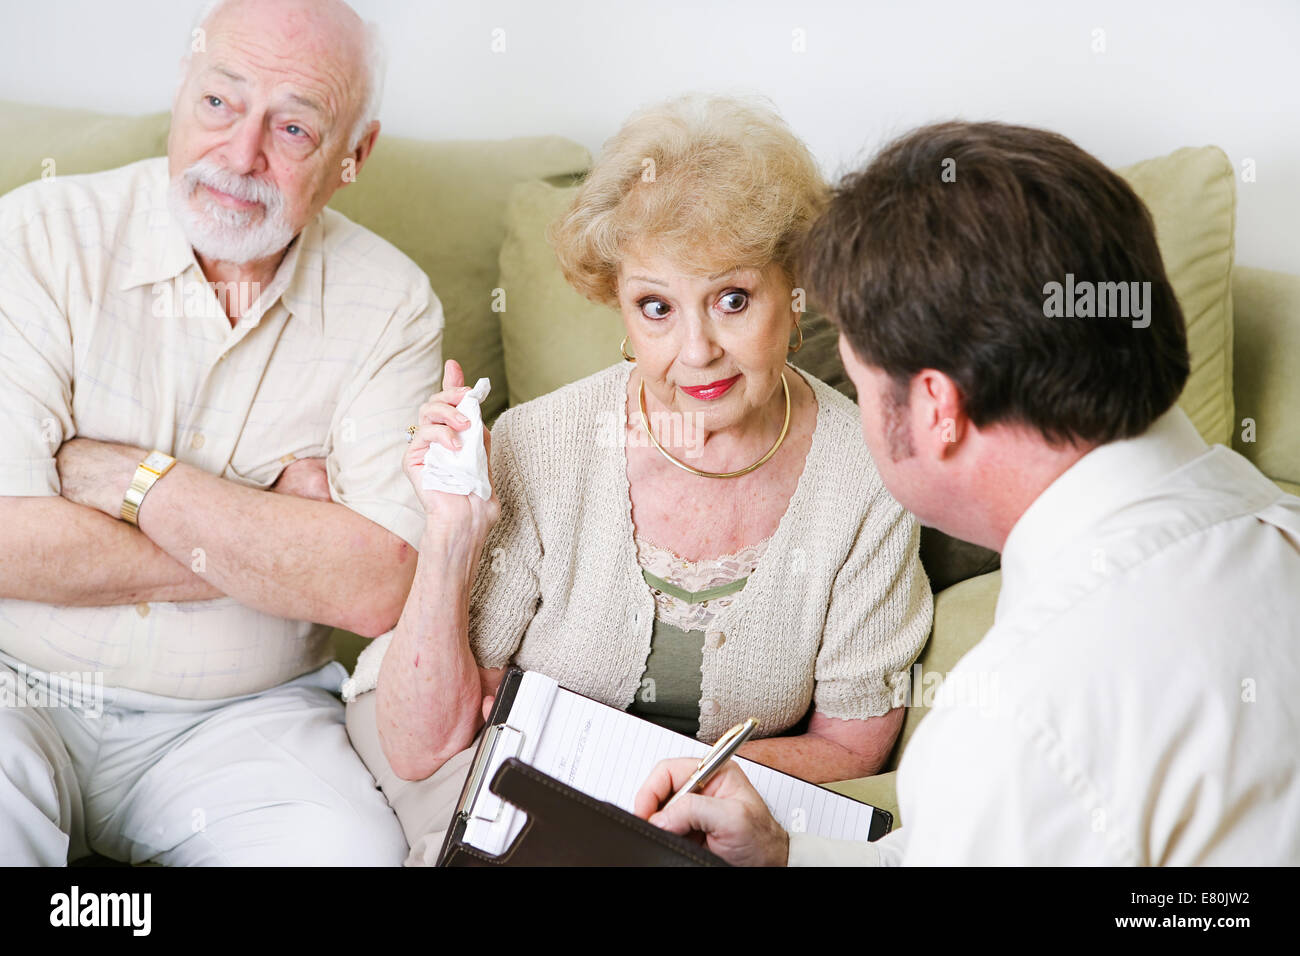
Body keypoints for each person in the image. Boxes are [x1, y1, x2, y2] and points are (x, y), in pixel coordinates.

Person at [634, 120, 1300, 866]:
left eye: (858, 381)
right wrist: (789, 857)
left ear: (936, 410)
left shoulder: (1020, 716)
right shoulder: (1270, 529)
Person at [343, 95, 934, 865]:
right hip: (487, 775)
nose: (696, 350)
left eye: (732, 299)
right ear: (618, 307)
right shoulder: (539, 446)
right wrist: (454, 533)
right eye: (656, 307)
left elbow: (850, 746)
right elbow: (431, 746)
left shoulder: (867, 475)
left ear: (795, 293)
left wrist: (675, 787)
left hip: (688, 815)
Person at [0, 0, 441, 865]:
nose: (240, 157)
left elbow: (380, 585)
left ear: (356, 153)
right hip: (16, 682)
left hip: (243, 717)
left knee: (348, 854)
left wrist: (135, 483)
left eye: (293, 127)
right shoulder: (40, 236)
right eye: (219, 104)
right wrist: (264, 533)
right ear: (181, 93)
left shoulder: (392, 305)